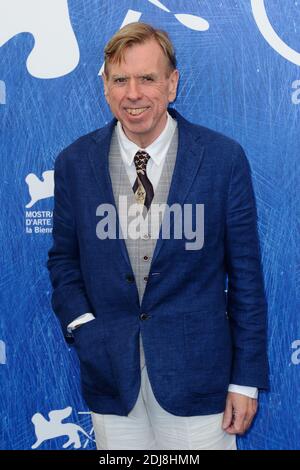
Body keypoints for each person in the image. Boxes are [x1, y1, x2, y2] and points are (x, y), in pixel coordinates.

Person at [47, 22, 269, 450]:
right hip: (112, 378)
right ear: (107, 88)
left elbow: (246, 277)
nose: (133, 93)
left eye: (147, 78)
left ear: (172, 84)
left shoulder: (222, 159)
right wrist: (84, 327)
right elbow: (63, 260)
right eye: (120, 80)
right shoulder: (75, 162)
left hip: (201, 384)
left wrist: (246, 379)